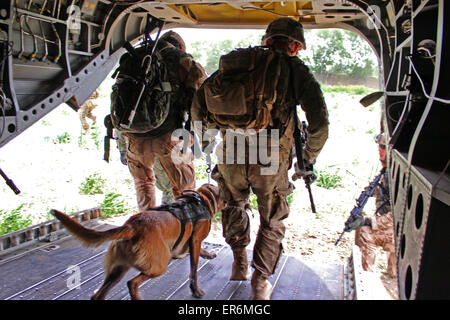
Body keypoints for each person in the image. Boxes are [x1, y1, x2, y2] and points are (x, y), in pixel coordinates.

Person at [191, 17, 329, 299]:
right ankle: (260, 279)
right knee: (273, 216)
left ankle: (239, 262)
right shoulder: (295, 70)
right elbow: (319, 124)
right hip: (268, 154)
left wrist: (206, 142)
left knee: (232, 204)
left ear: (268, 40)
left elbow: (200, 103)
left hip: (230, 151)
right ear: (294, 45)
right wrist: (308, 157)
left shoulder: (237, 66)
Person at [121, 31, 207, 211]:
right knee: (184, 190)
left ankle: (148, 226)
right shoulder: (184, 61)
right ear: (181, 47)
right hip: (169, 135)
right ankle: (183, 233)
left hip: (134, 135)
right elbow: (202, 100)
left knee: (143, 184)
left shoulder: (137, 57)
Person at [355, 132, 397, 278]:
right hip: (396, 230)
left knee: (365, 230)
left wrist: (369, 221)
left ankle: (366, 278)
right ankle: (393, 273)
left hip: (398, 230)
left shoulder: (395, 177)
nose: (380, 150)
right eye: (379, 146)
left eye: (384, 147)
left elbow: (397, 217)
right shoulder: (387, 172)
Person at [117, 131, 174, 205]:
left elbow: (119, 129)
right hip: (158, 141)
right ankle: (167, 207)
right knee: (167, 184)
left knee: (143, 184)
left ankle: (150, 211)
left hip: (137, 145)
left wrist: (122, 149)